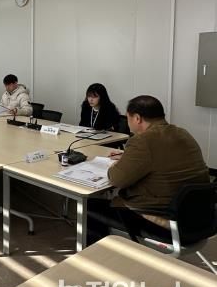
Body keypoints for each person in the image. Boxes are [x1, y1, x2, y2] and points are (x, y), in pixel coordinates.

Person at [87, 95, 209, 245]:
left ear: (137, 118)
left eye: (128, 118)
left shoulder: (142, 140)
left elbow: (117, 179)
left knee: (91, 207)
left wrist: (116, 165)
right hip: (198, 219)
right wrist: (129, 157)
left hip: (164, 222)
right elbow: (164, 158)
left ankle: (101, 256)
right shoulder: (183, 133)